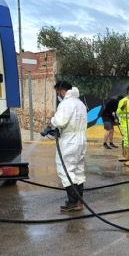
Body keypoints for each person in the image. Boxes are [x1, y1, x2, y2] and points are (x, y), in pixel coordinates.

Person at [51, 81, 88, 213]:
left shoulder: (66, 104)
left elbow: (60, 121)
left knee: (65, 169)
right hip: (81, 140)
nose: (57, 95)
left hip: (70, 141)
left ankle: (73, 202)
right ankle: (79, 201)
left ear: (62, 90)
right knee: (78, 169)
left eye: (57, 92)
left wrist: (52, 121)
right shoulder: (80, 104)